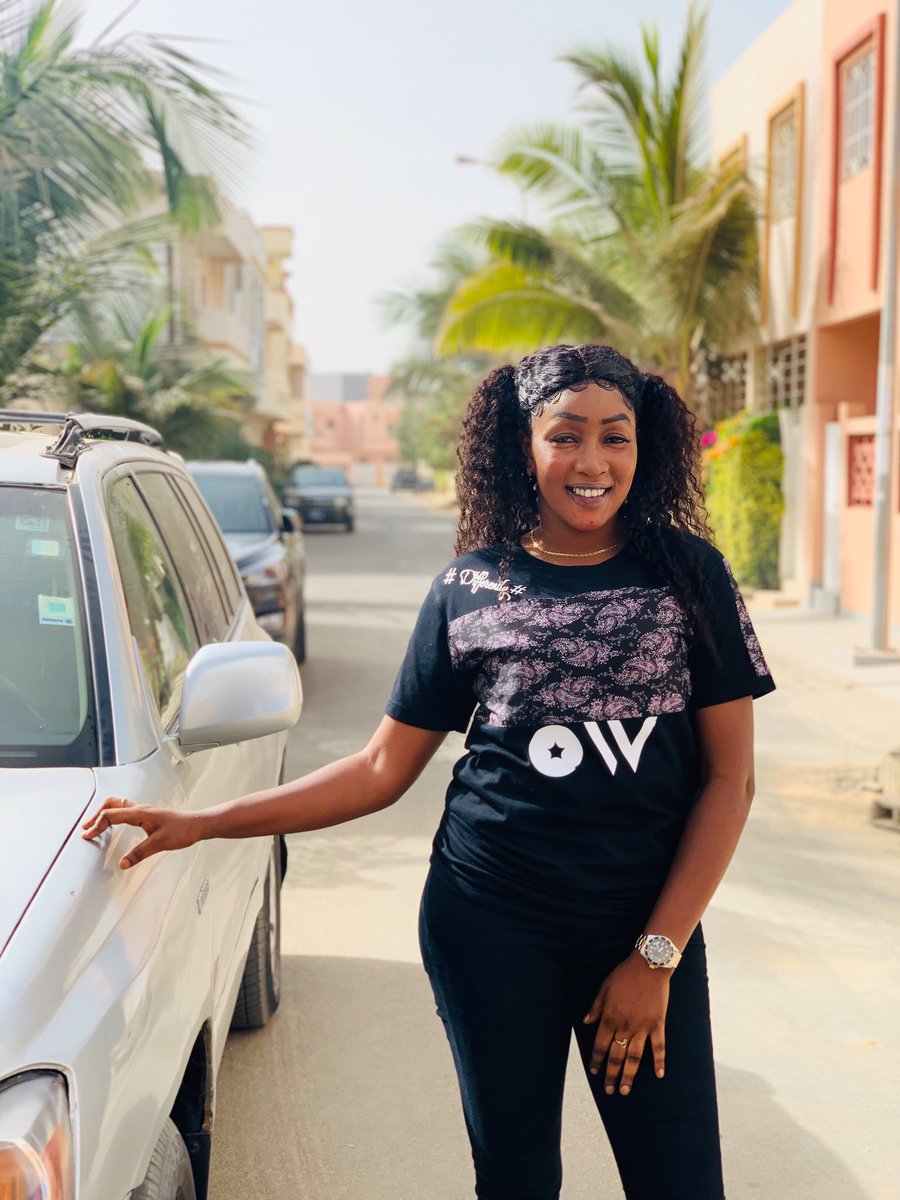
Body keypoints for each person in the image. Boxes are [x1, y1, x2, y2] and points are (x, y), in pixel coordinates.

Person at [83, 343, 775, 1200]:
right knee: (516, 1180)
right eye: (565, 436)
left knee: (680, 1182)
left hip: (644, 921)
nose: (592, 462)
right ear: (524, 445)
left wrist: (656, 957)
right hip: (491, 923)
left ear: (644, 445)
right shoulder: (469, 589)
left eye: (615, 437)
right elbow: (380, 766)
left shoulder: (689, 579)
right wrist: (202, 823)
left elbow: (729, 783)